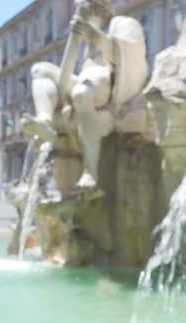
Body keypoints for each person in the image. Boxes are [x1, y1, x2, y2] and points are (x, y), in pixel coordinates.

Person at [21, 0, 147, 192]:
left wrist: (96, 36)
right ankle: (45, 120)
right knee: (39, 69)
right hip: (85, 81)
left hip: (110, 83)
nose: (82, 10)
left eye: (87, 7)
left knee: (81, 92)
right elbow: (74, 72)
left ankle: (91, 171)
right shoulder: (83, 37)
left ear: (102, 9)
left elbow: (130, 57)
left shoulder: (123, 23)